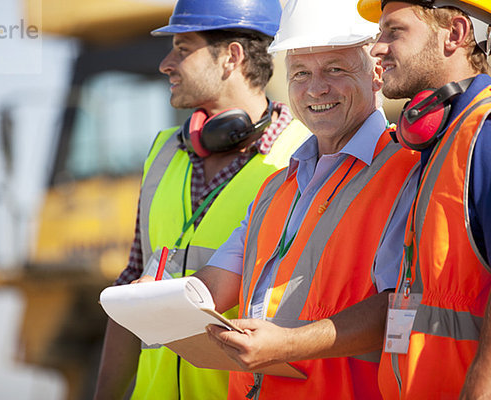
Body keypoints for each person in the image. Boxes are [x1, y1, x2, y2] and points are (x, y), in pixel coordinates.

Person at [199, 0, 421, 398]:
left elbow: (405, 308)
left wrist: (289, 343)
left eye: (335, 69)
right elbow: (214, 285)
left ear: (376, 71)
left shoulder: (408, 172)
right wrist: (156, 299)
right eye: (300, 73)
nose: (316, 88)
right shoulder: (275, 189)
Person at [92, 0, 311, 399]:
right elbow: (131, 287)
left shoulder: (302, 156)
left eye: (182, 48)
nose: (166, 64)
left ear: (232, 57)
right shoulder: (162, 153)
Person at [356, 0, 491, 398]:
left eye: (393, 32)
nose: (377, 48)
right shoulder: (441, 138)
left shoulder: (482, 134)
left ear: (456, 34)